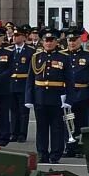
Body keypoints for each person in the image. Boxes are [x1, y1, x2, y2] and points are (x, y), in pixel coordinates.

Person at [25, 28, 71, 165]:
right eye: (46, 40)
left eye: (51, 41)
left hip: (57, 97)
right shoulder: (36, 57)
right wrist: (29, 98)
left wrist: (69, 99)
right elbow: (30, 80)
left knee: (57, 128)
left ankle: (55, 154)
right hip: (40, 97)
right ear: (42, 42)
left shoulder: (64, 58)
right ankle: (42, 153)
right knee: (41, 128)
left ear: (56, 42)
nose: (49, 43)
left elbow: (69, 80)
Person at [10, 26, 34, 141]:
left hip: (24, 84)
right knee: (13, 111)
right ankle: (13, 133)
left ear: (24, 37)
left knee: (23, 111)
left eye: (18, 35)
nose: (15, 37)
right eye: (14, 35)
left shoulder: (30, 51)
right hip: (12, 84)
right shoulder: (10, 50)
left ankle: (22, 134)